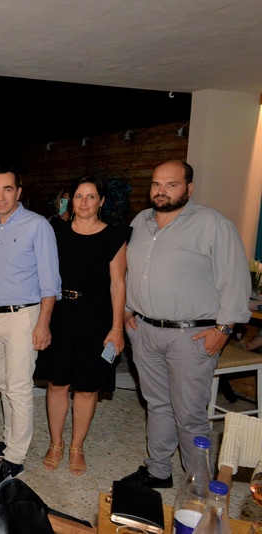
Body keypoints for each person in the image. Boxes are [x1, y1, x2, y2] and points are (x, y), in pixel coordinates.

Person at [121, 160, 251, 488]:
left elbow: (235, 280)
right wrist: (126, 311)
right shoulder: (140, 222)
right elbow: (129, 271)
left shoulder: (213, 224)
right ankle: (158, 470)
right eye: (156, 184)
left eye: (171, 184)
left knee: (189, 413)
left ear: (189, 188)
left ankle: (198, 485)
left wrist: (224, 330)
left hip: (191, 336)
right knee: (157, 405)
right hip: (144, 331)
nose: (161, 191)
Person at [34, 176, 129, 475]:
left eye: (91, 196)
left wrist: (117, 328)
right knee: (57, 383)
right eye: (78, 196)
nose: (84, 202)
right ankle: (56, 443)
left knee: (88, 387)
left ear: (102, 201)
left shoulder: (114, 236)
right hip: (60, 313)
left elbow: (118, 284)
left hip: (96, 317)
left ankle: (77, 446)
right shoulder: (56, 231)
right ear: (70, 200)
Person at [0, 165, 61, 478]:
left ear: (19, 192)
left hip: (24, 317)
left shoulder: (37, 226)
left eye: (8, 189)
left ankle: (16, 456)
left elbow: (50, 282)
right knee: (2, 383)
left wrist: (43, 323)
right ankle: (9, 440)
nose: (1, 196)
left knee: (19, 386)